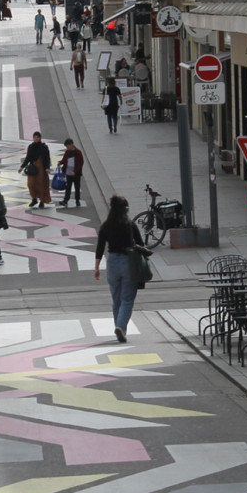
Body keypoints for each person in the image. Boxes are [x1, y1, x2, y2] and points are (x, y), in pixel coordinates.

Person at [93, 194, 145, 343]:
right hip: (128, 262)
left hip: (112, 263)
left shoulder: (105, 226)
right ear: (125, 209)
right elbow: (141, 244)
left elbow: (100, 248)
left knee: (116, 300)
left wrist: (97, 268)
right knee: (127, 299)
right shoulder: (130, 224)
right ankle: (121, 327)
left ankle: (119, 327)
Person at [19, 132, 52, 208]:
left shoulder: (44, 147)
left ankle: (42, 201)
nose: (36, 138)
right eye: (35, 137)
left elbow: (47, 159)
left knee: (41, 185)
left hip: (42, 169)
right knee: (30, 184)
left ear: (40, 138)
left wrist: (47, 168)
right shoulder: (31, 147)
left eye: (37, 137)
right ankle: (34, 199)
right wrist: (22, 167)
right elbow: (28, 158)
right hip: (33, 168)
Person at [60, 138, 84, 207]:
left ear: (71, 145)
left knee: (77, 187)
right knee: (68, 187)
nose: (67, 148)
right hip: (68, 172)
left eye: (67, 146)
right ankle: (65, 200)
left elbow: (81, 162)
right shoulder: (67, 152)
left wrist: (75, 171)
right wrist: (60, 163)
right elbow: (64, 159)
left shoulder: (78, 152)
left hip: (76, 174)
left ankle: (77, 200)